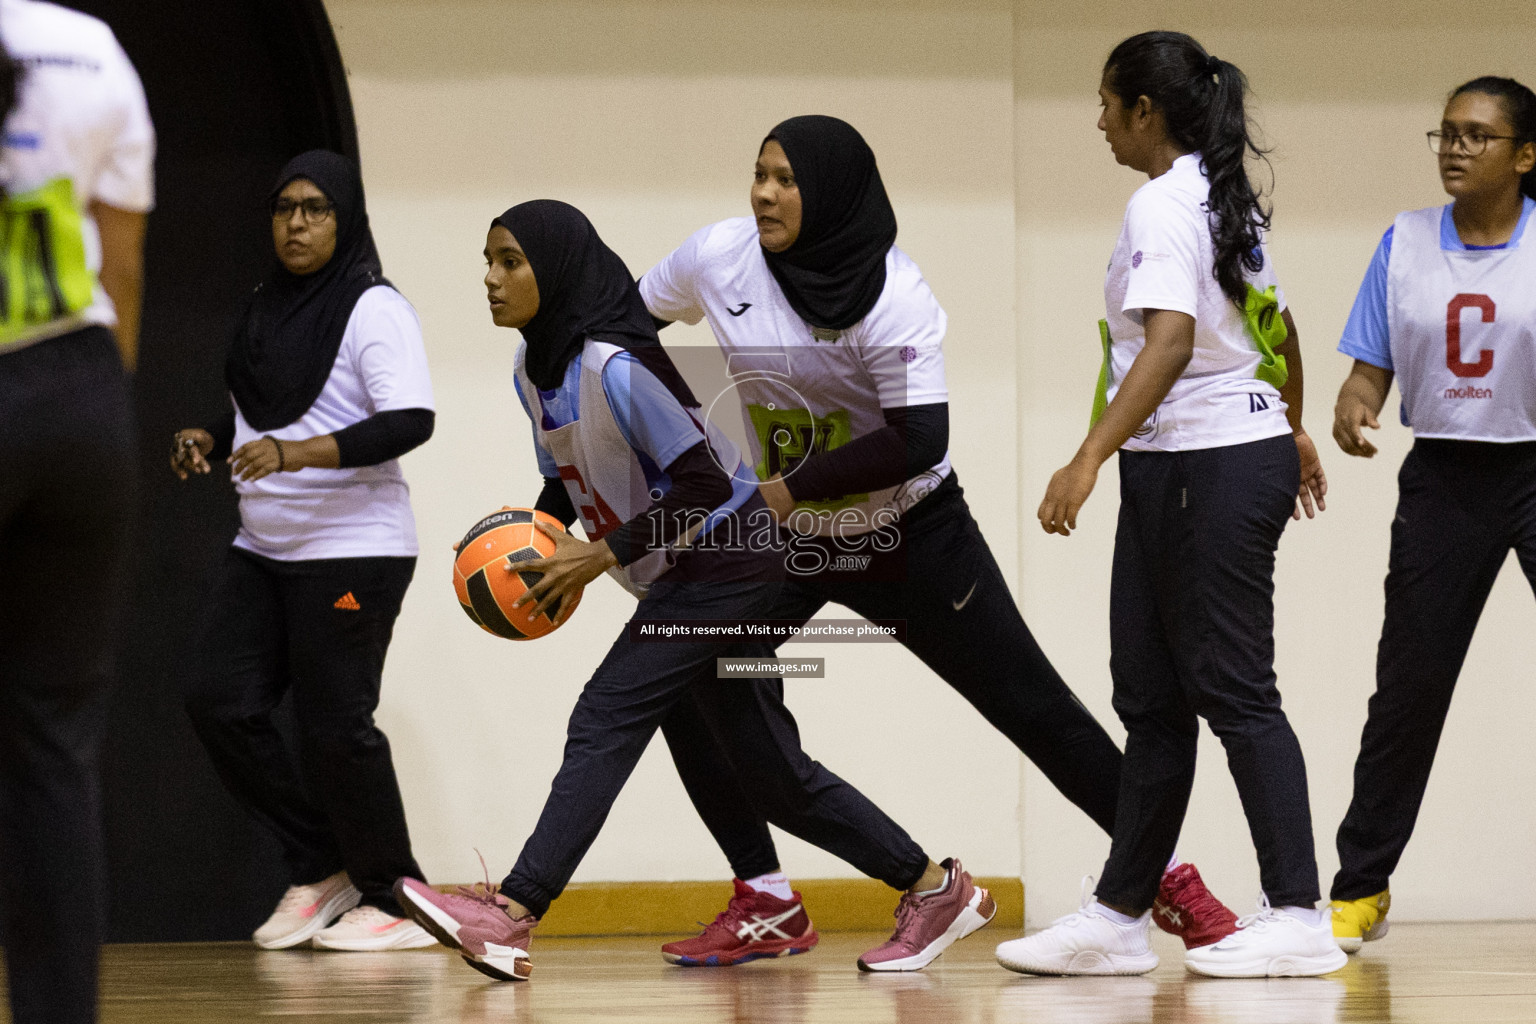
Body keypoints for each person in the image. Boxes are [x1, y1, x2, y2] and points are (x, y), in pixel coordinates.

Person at [638, 114, 1238, 969]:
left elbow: (917, 437)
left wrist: (775, 486)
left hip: (911, 531)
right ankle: (768, 898)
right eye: (759, 173)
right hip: (794, 538)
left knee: (1034, 710)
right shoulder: (717, 256)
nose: (763, 193)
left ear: (835, 194)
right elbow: (628, 327)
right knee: (687, 666)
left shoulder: (896, 293)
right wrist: (690, 438)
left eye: (785, 179)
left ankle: (1165, 876)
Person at [393, 199, 995, 981]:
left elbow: (708, 485)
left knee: (607, 711)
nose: (491, 278)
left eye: (510, 261)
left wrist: (598, 554)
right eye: (488, 261)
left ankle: (512, 914)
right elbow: (563, 488)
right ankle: (926, 887)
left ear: (559, 267)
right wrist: (524, 552)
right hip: (683, 576)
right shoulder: (531, 371)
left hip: (733, 566)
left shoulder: (615, 365)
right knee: (774, 774)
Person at [993, 32, 1341, 979]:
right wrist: (1292, 424)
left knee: (1234, 690)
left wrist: (1084, 458)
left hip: (1209, 467)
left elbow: (1175, 341)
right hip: (1198, 461)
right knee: (1150, 700)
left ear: (1145, 111)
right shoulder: (1218, 196)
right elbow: (1276, 327)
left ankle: (1300, 912)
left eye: (1106, 102)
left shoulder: (1162, 198)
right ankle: (1117, 914)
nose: (1098, 120)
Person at [171, 150, 436, 952]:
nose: (296, 222)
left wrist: (297, 455)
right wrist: (210, 438)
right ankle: (323, 865)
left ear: (345, 218)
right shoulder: (264, 306)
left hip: (354, 551)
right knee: (218, 699)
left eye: (316, 208)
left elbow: (409, 420)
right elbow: (261, 413)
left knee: (335, 725)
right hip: (266, 548)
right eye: (284, 207)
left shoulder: (372, 309)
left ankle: (398, 896)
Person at [1328, 76, 1536, 954]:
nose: (1455, 147)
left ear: (1524, 156)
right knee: (1408, 689)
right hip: (1445, 479)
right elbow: (1372, 360)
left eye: (1477, 135)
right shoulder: (1406, 241)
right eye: (1445, 132)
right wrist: (1353, 397)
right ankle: (1360, 887)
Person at [0, 3, 152, 1022]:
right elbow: (123, 268)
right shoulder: (91, 45)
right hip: (81, 395)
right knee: (54, 747)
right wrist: (95, 411)